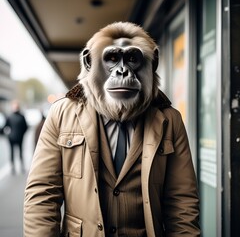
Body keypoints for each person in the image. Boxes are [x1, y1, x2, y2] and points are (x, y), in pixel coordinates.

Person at [24, 22, 200, 236]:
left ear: (152, 63)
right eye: (112, 59)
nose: (123, 71)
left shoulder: (170, 120)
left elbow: (181, 202)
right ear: (89, 62)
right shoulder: (62, 114)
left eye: (132, 59)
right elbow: (42, 195)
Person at [4, 100, 28, 174]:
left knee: (13, 152)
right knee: (19, 151)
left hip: (12, 137)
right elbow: (26, 127)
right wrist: (22, 134)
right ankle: (20, 166)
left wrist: (7, 134)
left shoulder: (10, 116)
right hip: (18, 137)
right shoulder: (21, 116)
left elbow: (5, 127)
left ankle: (14, 167)